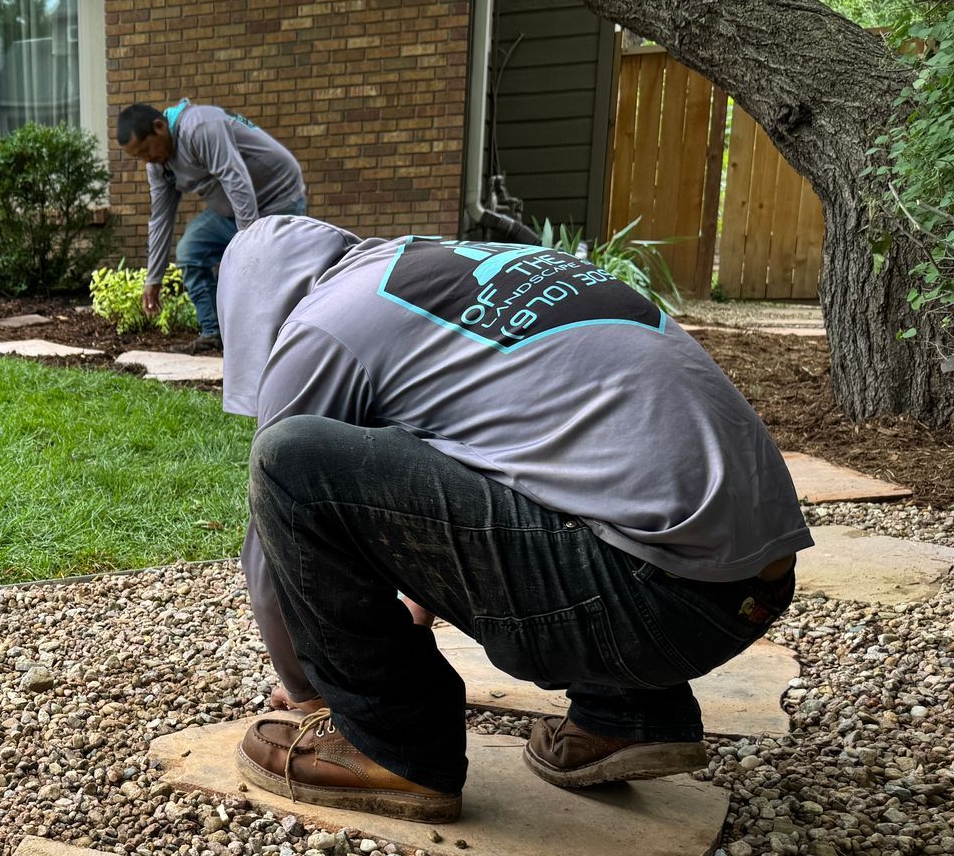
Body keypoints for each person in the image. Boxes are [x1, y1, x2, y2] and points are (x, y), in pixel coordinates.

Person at [219, 215, 811, 822]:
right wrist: (413, 603)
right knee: (550, 456)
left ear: (254, 310)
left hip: (646, 598)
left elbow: (270, 549)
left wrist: (310, 690)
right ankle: (630, 715)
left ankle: (390, 747)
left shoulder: (322, 327)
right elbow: (468, 464)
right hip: (741, 593)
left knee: (290, 462)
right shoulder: (436, 271)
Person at [118, 101, 306, 356]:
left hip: (278, 198)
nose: (145, 160)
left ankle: (285, 339)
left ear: (159, 127)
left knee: (270, 271)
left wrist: (248, 243)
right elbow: (161, 219)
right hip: (231, 210)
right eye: (137, 156)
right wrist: (153, 279)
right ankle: (213, 333)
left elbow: (235, 178)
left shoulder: (199, 127)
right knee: (190, 252)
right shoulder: (158, 166)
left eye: (145, 150)